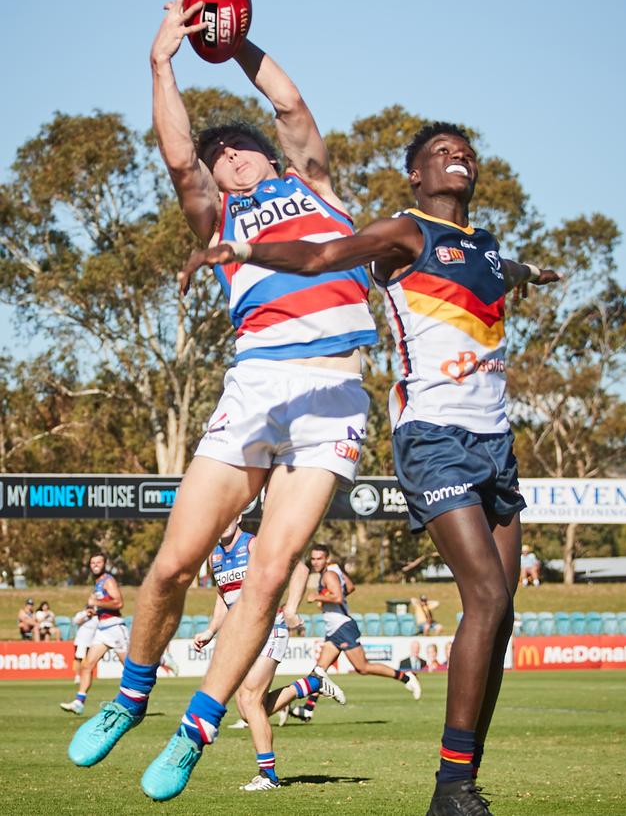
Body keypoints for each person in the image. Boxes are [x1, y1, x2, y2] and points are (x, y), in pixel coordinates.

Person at [182, 123, 560, 815]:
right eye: (440, 153)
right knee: (487, 599)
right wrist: (241, 246)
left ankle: (460, 778)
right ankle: (453, 786)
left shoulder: (485, 244)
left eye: (465, 150)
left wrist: (531, 273)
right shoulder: (403, 233)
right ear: (415, 176)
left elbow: (497, 270)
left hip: (496, 442)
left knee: (504, 615)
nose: (458, 157)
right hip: (434, 436)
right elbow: (323, 252)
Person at [67, 0, 376, 802]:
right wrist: (164, 61)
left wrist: (230, 39)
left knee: (272, 573)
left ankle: (194, 732)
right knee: (172, 564)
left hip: (335, 391)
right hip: (257, 383)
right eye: (214, 156)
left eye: (231, 149)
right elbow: (174, 156)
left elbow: (292, 103)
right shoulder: (220, 220)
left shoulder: (311, 182)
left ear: (265, 155)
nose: (219, 159)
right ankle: (129, 699)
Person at [193, 516, 343, 792]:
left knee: (250, 700)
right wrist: (211, 630)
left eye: (230, 515)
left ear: (238, 517)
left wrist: (292, 609)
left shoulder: (253, 545)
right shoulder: (215, 557)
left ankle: (268, 775)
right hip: (243, 634)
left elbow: (298, 568)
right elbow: (223, 597)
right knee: (249, 709)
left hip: (269, 627)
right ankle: (312, 684)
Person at [284, 543, 422, 725]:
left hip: (342, 627)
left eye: (319, 558)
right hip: (334, 630)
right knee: (319, 671)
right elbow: (350, 587)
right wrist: (329, 597)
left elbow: (339, 597)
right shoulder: (333, 573)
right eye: (313, 558)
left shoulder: (329, 574)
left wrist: (318, 597)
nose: (315, 562)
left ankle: (406, 676)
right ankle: (307, 710)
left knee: (362, 667)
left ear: (327, 559)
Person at [61, 552, 128, 715]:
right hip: (102, 629)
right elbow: (102, 604)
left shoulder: (108, 580)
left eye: (98, 562)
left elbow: (119, 602)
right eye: (92, 563)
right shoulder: (97, 583)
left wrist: (96, 602)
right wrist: (93, 609)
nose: (95, 565)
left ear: (104, 564)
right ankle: (79, 702)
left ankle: (160, 660)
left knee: (130, 668)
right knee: (87, 665)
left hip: (115, 628)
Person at [71, 604, 98, 684]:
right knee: (78, 659)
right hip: (81, 641)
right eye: (89, 608)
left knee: (89, 661)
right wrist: (86, 615)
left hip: (92, 642)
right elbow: (76, 621)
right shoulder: (81, 614)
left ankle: (87, 676)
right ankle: (77, 676)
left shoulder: (96, 617)